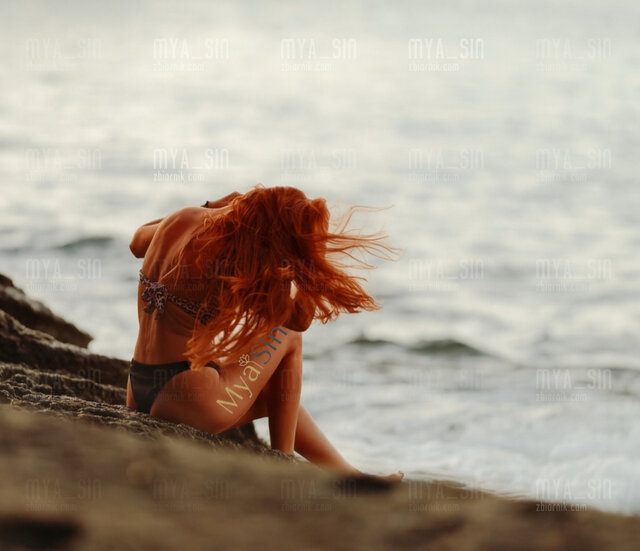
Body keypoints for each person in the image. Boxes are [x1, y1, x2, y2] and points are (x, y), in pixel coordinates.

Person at [125, 185, 404, 482]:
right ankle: (282, 464)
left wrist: (214, 205)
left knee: (277, 393)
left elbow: (136, 243)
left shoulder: (184, 217)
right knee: (288, 338)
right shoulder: (233, 258)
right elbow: (298, 321)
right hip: (185, 397)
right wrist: (314, 255)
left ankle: (353, 478)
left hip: (138, 386)